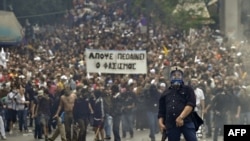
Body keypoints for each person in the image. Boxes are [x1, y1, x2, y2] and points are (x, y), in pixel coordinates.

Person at [158, 66, 198, 141]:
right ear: (170, 77)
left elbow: (190, 104)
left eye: (179, 75)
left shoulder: (188, 89)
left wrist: (181, 117)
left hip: (186, 121)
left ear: (182, 77)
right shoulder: (165, 93)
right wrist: (160, 123)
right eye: (174, 75)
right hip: (171, 124)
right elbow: (161, 111)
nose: (176, 77)